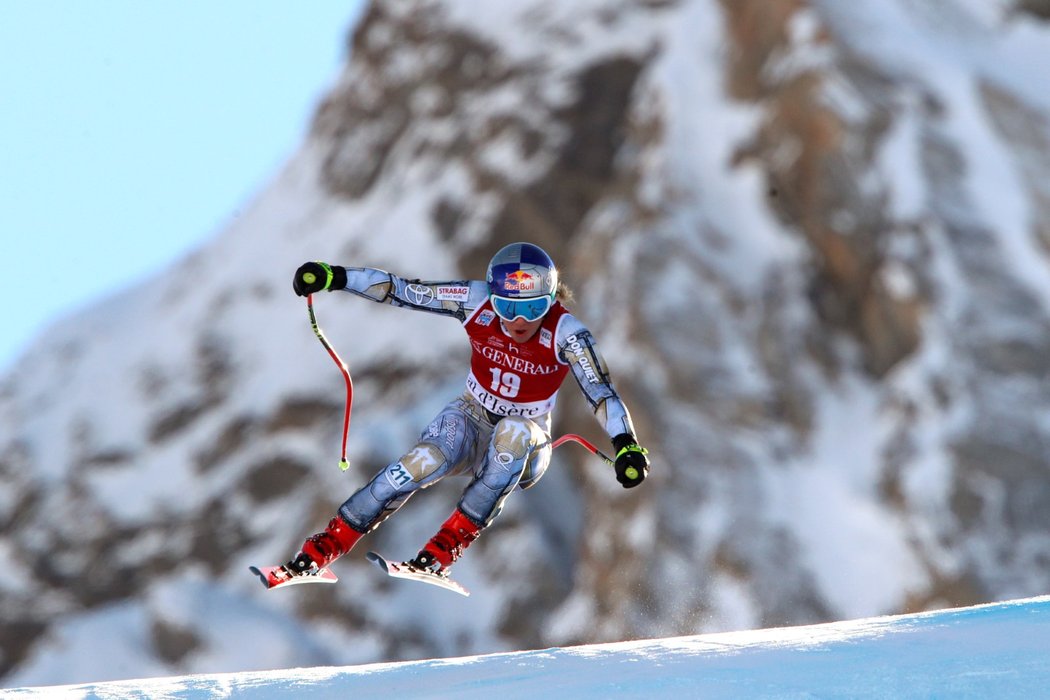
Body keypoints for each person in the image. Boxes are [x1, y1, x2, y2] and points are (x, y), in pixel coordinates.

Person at [286, 241, 650, 578]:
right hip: (471, 415)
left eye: (534, 307)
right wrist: (334, 276)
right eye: (507, 307)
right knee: (418, 464)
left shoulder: (567, 332)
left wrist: (626, 444)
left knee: (513, 435)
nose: (519, 321)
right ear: (492, 297)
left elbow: (600, 392)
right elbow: (402, 291)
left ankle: (444, 548)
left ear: (552, 300)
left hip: (528, 438)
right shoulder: (473, 299)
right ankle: (327, 545)